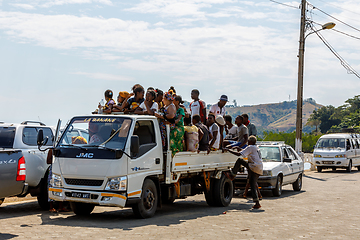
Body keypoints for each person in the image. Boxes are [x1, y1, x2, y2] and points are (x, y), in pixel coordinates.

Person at [225, 135, 263, 209]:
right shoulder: (256, 147)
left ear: (250, 141)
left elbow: (239, 154)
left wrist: (229, 150)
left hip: (253, 166)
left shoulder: (250, 147)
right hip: (259, 168)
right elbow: (246, 152)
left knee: (240, 160)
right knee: (252, 184)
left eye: (248, 141)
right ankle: (257, 202)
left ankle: (233, 174)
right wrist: (238, 148)